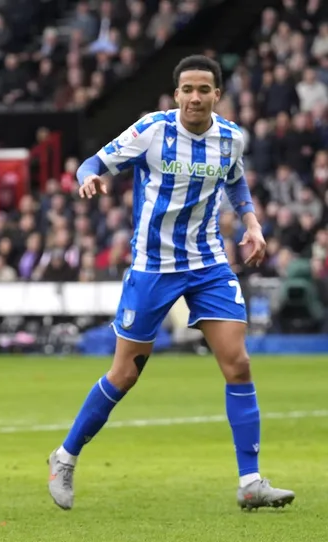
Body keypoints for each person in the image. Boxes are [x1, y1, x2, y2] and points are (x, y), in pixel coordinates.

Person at [47, 55, 295, 511]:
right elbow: (91, 163)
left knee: (237, 363)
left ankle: (251, 481)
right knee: (124, 374)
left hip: (209, 264)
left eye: (204, 89)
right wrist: (89, 181)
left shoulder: (230, 139)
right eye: (187, 90)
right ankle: (64, 456)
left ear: (217, 94)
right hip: (153, 265)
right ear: (176, 94)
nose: (195, 98)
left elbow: (236, 184)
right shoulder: (152, 131)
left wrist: (253, 224)